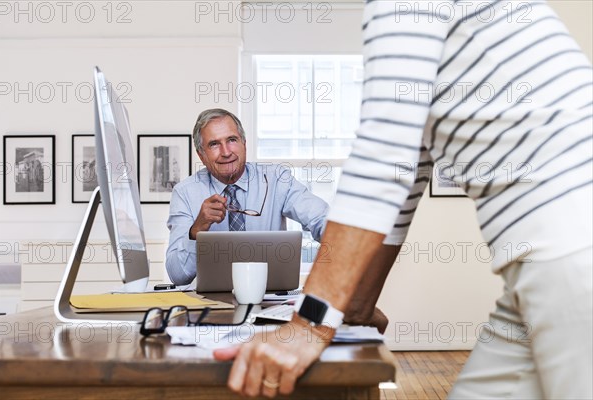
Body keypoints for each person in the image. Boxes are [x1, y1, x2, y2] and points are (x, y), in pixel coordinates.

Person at [214, 1, 593, 399]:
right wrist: (356, 308)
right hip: (547, 261)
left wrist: (310, 325)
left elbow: (382, 156)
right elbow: (407, 171)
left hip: (573, 247)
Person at [165, 108, 329, 286]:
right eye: (214, 144)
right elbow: (177, 276)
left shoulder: (277, 179)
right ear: (201, 155)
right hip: (212, 304)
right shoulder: (185, 193)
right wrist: (197, 229)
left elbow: (322, 220)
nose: (226, 152)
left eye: (232, 140)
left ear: (244, 143)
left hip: (269, 297)